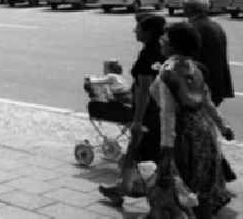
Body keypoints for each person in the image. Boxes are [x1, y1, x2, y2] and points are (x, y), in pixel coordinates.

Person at [152, 22, 234, 218]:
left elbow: (168, 115)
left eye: (164, 38)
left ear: (173, 45)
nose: (160, 41)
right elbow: (207, 102)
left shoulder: (168, 74)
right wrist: (223, 127)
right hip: (205, 134)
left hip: (183, 138)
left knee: (183, 193)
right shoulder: (194, 68)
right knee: (201, 192)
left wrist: (166, 151)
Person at [99, 13, 166, 206]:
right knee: (139, 153)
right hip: (160, 110)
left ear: (149, 32)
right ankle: (122, 188)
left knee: (140, 152)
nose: (135, 30)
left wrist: (137, 120)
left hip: (149, 112)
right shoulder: (162, 49)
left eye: (139, 28)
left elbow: (145, 90)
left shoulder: (149, 54)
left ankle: (152, 197)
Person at [185, 0, 234, 107]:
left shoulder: (194, 27)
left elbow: (191, 57)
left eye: (185, 6)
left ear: (190, 9)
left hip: (201, 85)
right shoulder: (215, 25)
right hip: (217, 82)